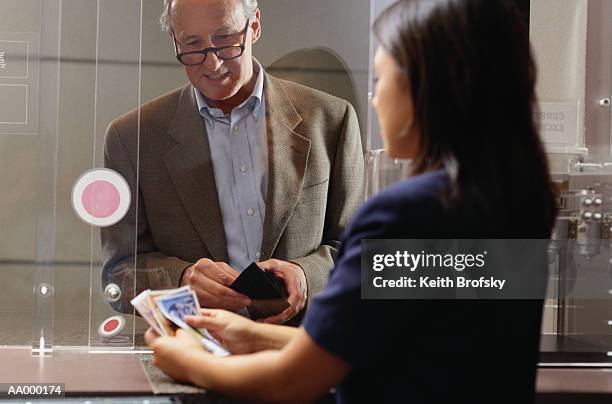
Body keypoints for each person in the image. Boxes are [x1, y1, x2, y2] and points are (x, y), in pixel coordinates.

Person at [145, 0, 557, 402]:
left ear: (425, 86)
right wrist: (249, 334)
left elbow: (293, 382)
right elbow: (396, 345)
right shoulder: (518, 203)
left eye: (381, 81)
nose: (375, 101)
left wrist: (187, 358)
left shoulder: (403, 215)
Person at [101, 0, 364, 323]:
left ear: (254, 26)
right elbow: (118, 272)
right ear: (175, 42)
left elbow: (360, 253)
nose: (212, 64)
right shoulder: (132, 137)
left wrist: (307, 276)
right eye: (193, 45)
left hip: (304, 346)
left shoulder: (331, 119)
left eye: (225, 41)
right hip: (195, 351)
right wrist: (180, 280)